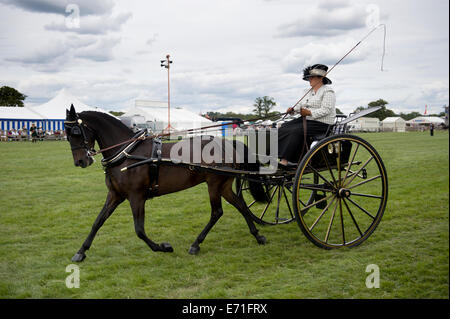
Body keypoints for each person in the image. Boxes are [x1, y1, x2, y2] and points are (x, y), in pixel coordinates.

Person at [278, 64, 336, 167]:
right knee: (284, 127)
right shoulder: (306, 92)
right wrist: (292, 110)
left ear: (321, 78)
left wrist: (309, 113)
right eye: (309, 77)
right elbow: (300, 106)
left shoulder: (328, 91)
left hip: (322, 124)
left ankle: (285, 160)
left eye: (312, 77)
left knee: (295, 130)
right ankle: (282, 156)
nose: (309, 79)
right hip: (308, 121)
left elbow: (326, 110)